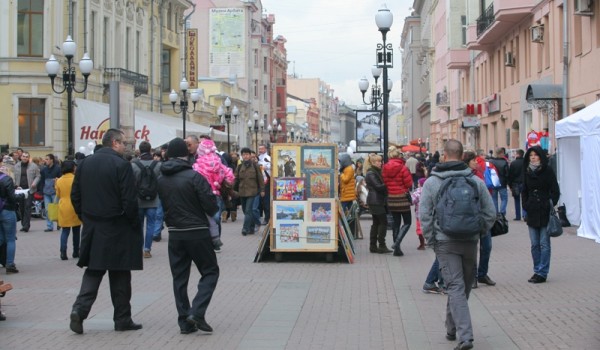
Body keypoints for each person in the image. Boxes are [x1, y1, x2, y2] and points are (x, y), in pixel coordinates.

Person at [420, 140, 496, 350]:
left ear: (444, 155)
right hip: (470, 241)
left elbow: (424, 214)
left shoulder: (432, 182)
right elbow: (490, 213)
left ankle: (464, 337)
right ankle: (454, 329)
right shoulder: (475, 181)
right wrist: (479, 231)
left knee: (455, 287)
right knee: (461, 287)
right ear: (462, 156)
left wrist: (431, 239)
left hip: (445, 242)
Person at [69, 129, 143, 334]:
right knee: (120, 275)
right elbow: (129, 200)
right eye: (124, 143)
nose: (125, 147)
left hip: (93, 227)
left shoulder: (84, 164)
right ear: (115, 143)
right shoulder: (122, 165)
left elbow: (75, 195)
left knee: (93, 271)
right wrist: (133, 223)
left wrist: (86, 217)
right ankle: (122, 319)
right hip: (118, 226)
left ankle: (79, 310)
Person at [157, 137, 220, 335]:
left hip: (175, 233)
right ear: (187, 154)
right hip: (197, 232)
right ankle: (197, 312)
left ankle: (184, 321)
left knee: (179, 278)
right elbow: (210, 205)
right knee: (210, 271)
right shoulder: (195, 177)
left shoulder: (161, 178)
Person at [522, 146, 560, 284]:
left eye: (535, 155)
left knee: (544, 243)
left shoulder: (547, 170)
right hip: (532, 210)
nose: (533, 157)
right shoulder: (526, 171)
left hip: (544, 211)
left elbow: (555, 190)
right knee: (534, 244)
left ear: (540, 156)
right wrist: (525, 205)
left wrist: (549, 203)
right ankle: (537, 269)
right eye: (531, 155)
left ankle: (542, 272)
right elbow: (524, 191)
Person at [193, 138, 234, 251]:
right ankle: (213, 240)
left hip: (210, 194)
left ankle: (214, 240)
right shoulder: (200, 162)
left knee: (213, 218)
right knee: (214, 218)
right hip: (210, 193)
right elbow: (229, 175)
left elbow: (228, 174)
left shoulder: (211, 160)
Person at [463, 151, 496, 289]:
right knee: (472, 248)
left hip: (483, 216)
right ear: (468, 162)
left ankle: (482, 274)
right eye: (474, 161)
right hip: (471, 217)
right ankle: (473, 276)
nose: (477, 163)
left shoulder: (479, 174)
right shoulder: (464, 177)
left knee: (486, 247)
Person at [131, 141, 161, 258]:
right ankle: (147, 249)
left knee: (139, 225)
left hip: (138, 200)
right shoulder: (158, 165)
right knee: (151, 225)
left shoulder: (134, 165)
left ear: (140, 150)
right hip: (153, 200)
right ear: (150, 150)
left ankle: (138, 248)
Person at [382, 146, 413, 256]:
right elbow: (409, 184)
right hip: (402, 198)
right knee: (408, 222)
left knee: (396, 223)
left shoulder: (385, 168)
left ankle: (397, 249)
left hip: (391, 198)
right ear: (398, 155)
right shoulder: (403, 168)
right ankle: (397, 243)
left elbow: (385, 182)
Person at [234, 147, 264, 236]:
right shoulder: (239, 167)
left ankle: (245, 228)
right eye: (244, 155)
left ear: (250, 155)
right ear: (242, 156)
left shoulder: (255, 166)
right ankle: (251, 228)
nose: (245, 156)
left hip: (252, 192)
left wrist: (262, 190)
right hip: (242, 192)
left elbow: (260, 179)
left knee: (248, 210)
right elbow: (235, 179)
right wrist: (231, 190)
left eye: (247, 154)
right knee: (245, 211)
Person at [55, 160, 81, 260]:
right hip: (75, 205)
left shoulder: (59, 180)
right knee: (76, 231)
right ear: (72, 168)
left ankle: (63, 251)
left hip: (63, 205)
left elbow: (57, 194)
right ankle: (76, 251)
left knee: (65, 231)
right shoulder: (76, 179)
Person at [365, 153, 391, 254]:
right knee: (383, 222)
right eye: (378, 161)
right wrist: (388, 183)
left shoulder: (375, 172)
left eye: (381, 161)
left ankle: (373, 246)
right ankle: (381, 245)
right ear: (373, 162)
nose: (381, 163)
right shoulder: (371, 173)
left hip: (376, 200)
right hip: (375, 201)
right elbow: (378, 186)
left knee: (376, 223)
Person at [0, 159, 20, 274]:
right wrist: (21, 196)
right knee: (10, 238)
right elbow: (12, 198)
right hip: (7, 210)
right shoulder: (6, 179)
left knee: (1, 237)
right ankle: (10, 264)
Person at [13, 151, 40, 233]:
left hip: (29, 190)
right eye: (23, 156)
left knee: (27, 207)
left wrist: (34, 183)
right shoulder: (17, 166)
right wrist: (14, 185)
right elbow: (13, 176)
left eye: (26, 157)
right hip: (19, 190)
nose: (25, 158)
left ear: (29, 158)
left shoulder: (33, 166)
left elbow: (38, 176)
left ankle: (26, 226)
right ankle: (23, 224)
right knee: (21, 208)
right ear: (21, 157)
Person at [40, 154, 61, 232]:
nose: (45, 160)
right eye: (45, 159)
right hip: (46, 191)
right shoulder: (43, 170)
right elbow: (42, 181)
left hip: (55, 191)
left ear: (52, 160)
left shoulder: (58, 168)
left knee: (57, 208)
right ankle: (49, 226)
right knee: (47, 209)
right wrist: (41, 190)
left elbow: (60, 179)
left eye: (47, 159)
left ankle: (59, 223)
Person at [489, 147, 509, 216]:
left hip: (493, 182)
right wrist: (507, 182)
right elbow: (507, 174)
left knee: (494, 198)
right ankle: (502, 212)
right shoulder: (504, 162)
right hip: (502, 183)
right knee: (504, 199)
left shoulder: (491, 161)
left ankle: (496, 213)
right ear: (502, 153)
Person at [508, 149, 525, 221]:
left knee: (516, 200)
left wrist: (510, 185)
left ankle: (518, 216)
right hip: (524, 183)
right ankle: (525, 215)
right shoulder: (526, 162)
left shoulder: (513, 163)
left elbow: (510, 175)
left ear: (517, 154)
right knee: (525, 199)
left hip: (515, 183)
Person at [411, 177, 427, 250]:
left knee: (419, 229)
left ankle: (422, 244)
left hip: (419, 214)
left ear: (420, 184)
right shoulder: (428, 190)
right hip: (429, 214)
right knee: (428, 228)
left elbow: (412, 201)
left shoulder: (417, 192)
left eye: (418, 183)